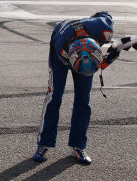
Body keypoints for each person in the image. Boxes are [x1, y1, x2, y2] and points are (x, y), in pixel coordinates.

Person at [33, 11, 116, 165]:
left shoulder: (105, 28)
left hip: (87, 48)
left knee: (83, 100)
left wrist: (110, 55)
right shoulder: (61, 49)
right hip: (61, 42)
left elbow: (106, 16)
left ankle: (78, 145)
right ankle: (43, 143)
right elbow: (63, 61)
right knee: (54, 95)